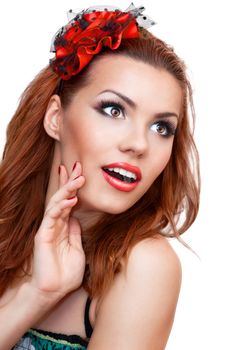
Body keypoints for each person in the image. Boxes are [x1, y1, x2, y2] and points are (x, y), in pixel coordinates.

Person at [0, 3, 200, 349]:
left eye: (161, 127)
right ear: (55, 118)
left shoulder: (142, 266)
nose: (139, 144)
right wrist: (34, 295)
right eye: (113, 109)